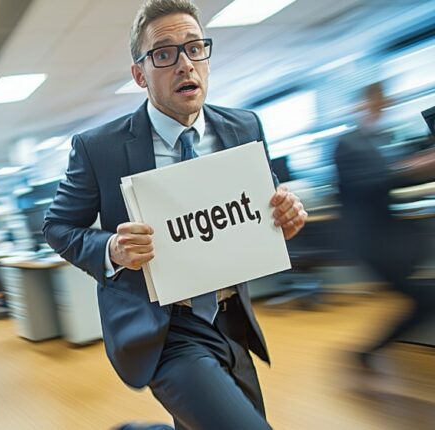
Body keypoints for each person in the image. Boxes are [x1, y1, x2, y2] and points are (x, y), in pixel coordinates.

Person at [43, 1, 308, 429]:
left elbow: (266, 204)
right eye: (164, 53)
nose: (185, 64)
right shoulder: (99, 148)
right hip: (165, 329)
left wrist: (286, 213)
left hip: (230, 318)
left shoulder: (244, 128)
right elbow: (57, 227)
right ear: (139, 74)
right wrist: (111, 247)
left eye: (195, 48)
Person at [333, 82, 435, 369]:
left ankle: (368, 353)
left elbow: (391, 179)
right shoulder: (349, 142)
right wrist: (414, 167)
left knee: (425, 298)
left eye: (384, 105)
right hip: (374, 242)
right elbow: (371, 183)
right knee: (426, 299)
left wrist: (417, 170)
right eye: (376, 104)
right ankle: (367, 352)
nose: (382, 110)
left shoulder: (376, 141)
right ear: (362, 105)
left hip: (390, 236)